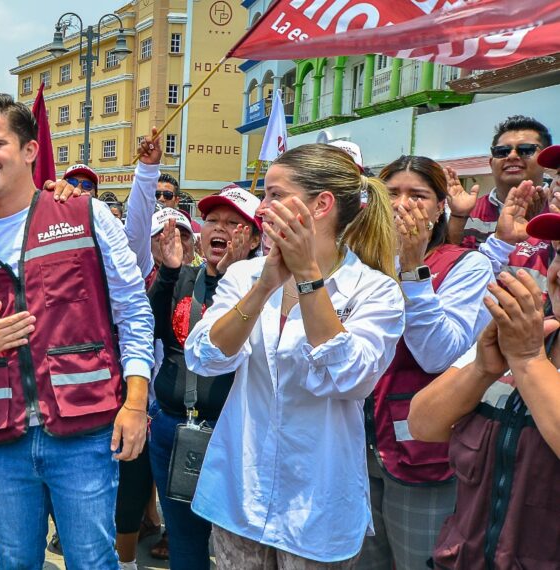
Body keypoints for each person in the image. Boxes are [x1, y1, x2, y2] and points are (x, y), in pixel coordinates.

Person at [0, 93, 155, 569]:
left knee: (90, 561)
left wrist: (136, 402)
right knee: (16, 561)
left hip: (84, 433)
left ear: (29, 150)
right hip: (5, 438)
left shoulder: (85, 215)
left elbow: (134, 314)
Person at [185, 143, 404, 567]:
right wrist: (264, 286)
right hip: (239, 494)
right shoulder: (246, 273)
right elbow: (207, 356)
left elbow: (350, 380)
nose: (262, 208)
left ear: (320, 205)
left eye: (274, 195)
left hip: (316, 506)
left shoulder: (375, 290)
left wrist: (307, 277)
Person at [358, 156, 494, 570]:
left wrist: (414, 267)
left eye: (417, 195)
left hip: (422, 453)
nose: (402, 205)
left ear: (440, 208)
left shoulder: (467, 264)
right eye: (391, 194)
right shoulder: (357, 263)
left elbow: (440, 354)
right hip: (354, 446)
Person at [409, 212, 560, 568]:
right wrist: (482, 368)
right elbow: (423, 423)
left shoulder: (526, 348)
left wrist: (527, 362)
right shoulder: (528, 332)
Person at [147, 183, 261, 569]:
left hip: (236, 434)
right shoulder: (185, 279)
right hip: (174, 430)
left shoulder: (268, 289)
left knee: (238, 546)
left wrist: (237, 276)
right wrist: (168, 271)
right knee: (184, 537)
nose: (220, 229)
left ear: (255, 236)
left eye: (234, 223)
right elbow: (151, 330)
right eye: (212, 220)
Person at [448, 115, 551, 249]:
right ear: (491, 163)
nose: (512, 156)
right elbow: (447, 262)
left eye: (525, 150)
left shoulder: (555, 209)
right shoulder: (467, 212)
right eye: (502, 151)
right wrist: (458, 216)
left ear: (545, 161)